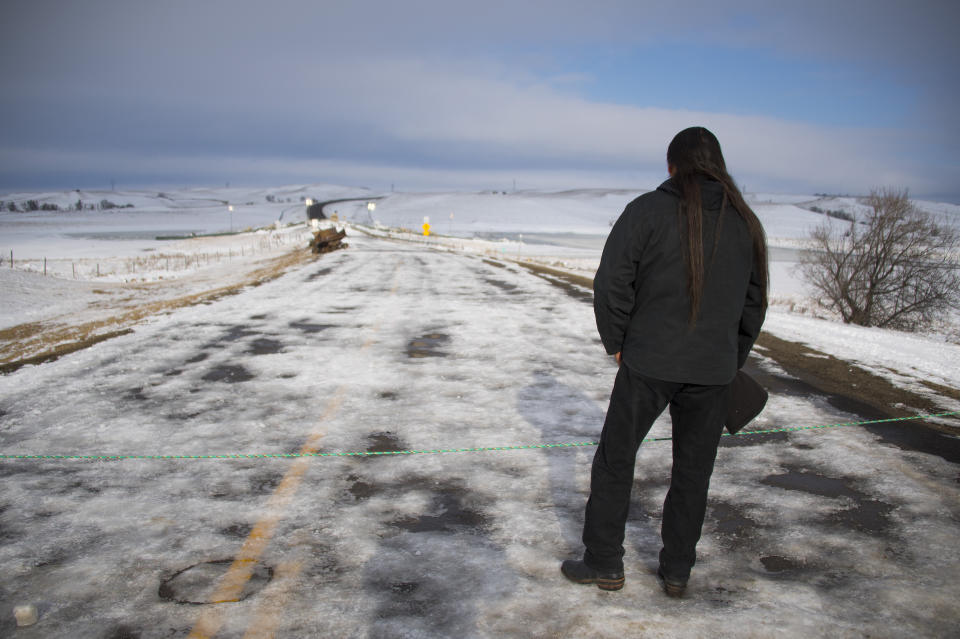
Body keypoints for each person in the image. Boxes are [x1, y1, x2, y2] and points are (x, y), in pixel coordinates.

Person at [561, 127, 768, 596]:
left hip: (649, 363)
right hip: (713, 371)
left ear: (673, 166)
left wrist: (617, 340)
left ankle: (604, 563)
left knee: (616, 460)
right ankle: (677, 572)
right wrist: (729, 358)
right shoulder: (745, 222)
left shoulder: (646, 211)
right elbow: (755, 303)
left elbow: (611, 281)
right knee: (693, 474)